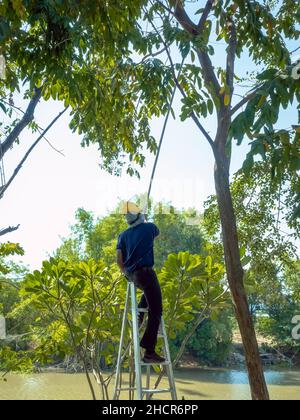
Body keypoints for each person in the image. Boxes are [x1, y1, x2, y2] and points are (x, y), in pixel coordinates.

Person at [116, 202, 165, 364]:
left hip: (134, 277)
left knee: (147, 295)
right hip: (146, 273)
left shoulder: (122, 236)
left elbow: (119, 261)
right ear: (140, 216)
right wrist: (145, 220)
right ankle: (149, 351)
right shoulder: (149, 228)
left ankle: (139, 316)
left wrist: (127, 274)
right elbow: (158, 234)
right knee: (157, 311)